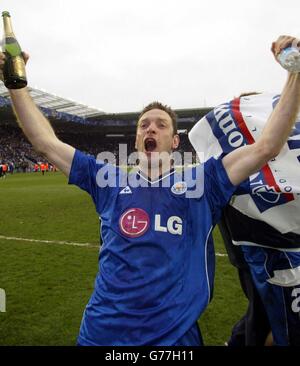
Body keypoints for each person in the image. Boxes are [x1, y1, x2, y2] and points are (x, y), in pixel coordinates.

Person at [1, 35, 300, 346]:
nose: (150, 129)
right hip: (101, 335)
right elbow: (46, 144)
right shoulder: (108, 180)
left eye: (160, 125)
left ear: (174, 142)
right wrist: (17, 89)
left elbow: (266, 146)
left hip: (173, 340)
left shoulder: (205, 182)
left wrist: (294, 71)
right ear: (135, 140)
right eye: (144, 125)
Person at [189, 87, 300, 345]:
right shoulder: (234, 158)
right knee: (266, 314)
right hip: (254, 250)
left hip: (262, 247)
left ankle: (238, 340)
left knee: (261, 310)